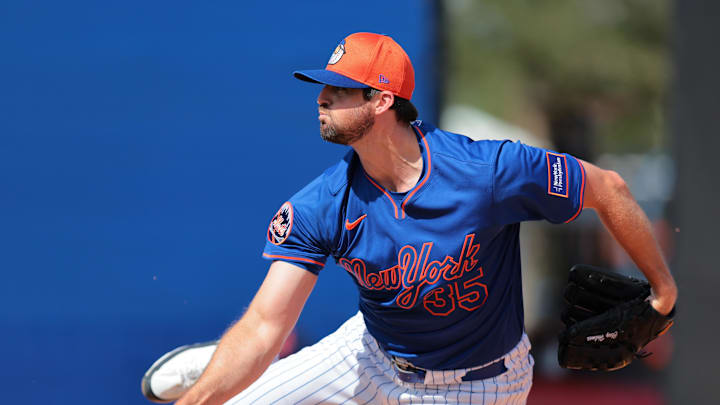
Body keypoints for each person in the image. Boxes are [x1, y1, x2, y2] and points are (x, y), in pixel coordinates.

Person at [141, 32, 677, 405]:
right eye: (322, 87)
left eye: (339, 89)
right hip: (368, 356)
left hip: (479, 385)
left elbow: (610, 188)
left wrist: (663, 294)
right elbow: (265, 325)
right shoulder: (322, 204)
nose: (322, 98)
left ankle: (222, 369)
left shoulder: (488, 171)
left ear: (381, 100)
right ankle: (218, 369)